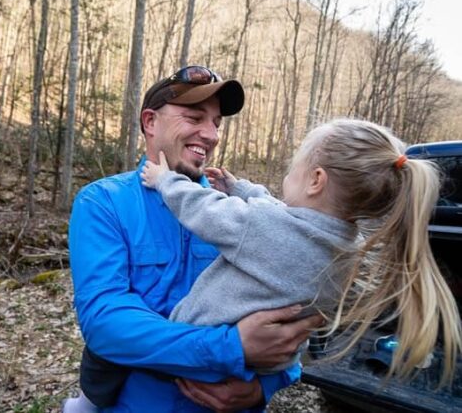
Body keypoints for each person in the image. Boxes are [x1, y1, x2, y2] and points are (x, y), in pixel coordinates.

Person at [66, 66, 322, 413]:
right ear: (150, 122)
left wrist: (265, 384)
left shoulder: (240, 213)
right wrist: (231, 347)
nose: (212, 134)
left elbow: (295, 301)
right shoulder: (103, 202)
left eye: (216, 122)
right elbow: (106, 323)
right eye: (194, 117)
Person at [139, 120, 462, 386]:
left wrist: (166, 180)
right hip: (256, 372)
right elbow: (286, 218)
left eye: (295, 164)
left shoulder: (264, 229)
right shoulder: (346, 250)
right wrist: (242, 188)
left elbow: (206, 208)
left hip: (200, 349)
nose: (288, 173)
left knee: (115, 366)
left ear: (316, 180)